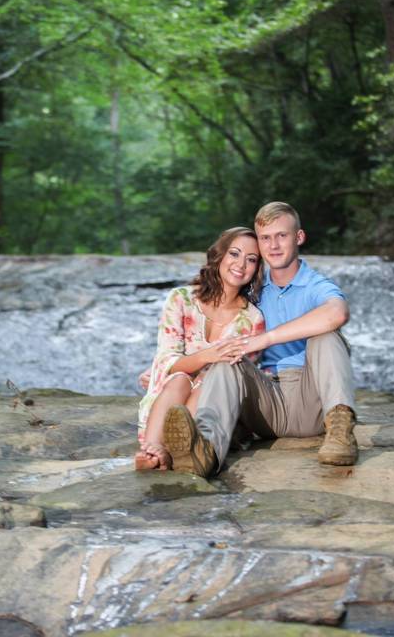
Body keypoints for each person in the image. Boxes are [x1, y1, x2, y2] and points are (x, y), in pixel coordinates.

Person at [157, 201, 359, 478]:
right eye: (266, 238)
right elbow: (214, 324)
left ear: (299, 237)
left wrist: (265, 339)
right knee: (228, 358)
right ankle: (204, 451)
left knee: (326, 337)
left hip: (313, 400)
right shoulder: (252, 289)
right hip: (267, 404)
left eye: (282, 236)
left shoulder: (315, 285)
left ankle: (340, 433)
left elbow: (337, 312)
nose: (273, 245)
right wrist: (168, 367)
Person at [135, 227, 266, 473]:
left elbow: (238, 377)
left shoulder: (253, 319)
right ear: (219, 256)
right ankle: (151, 450)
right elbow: (167, 360)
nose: (241, 264)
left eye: (251, 259)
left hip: (212, 412)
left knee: (209, 380)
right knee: (179, 380)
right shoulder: (180, 299)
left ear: (257, 269)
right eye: (234, 254)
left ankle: (180, 450)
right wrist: (207, 355)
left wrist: (203, 365)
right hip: (170, 394)